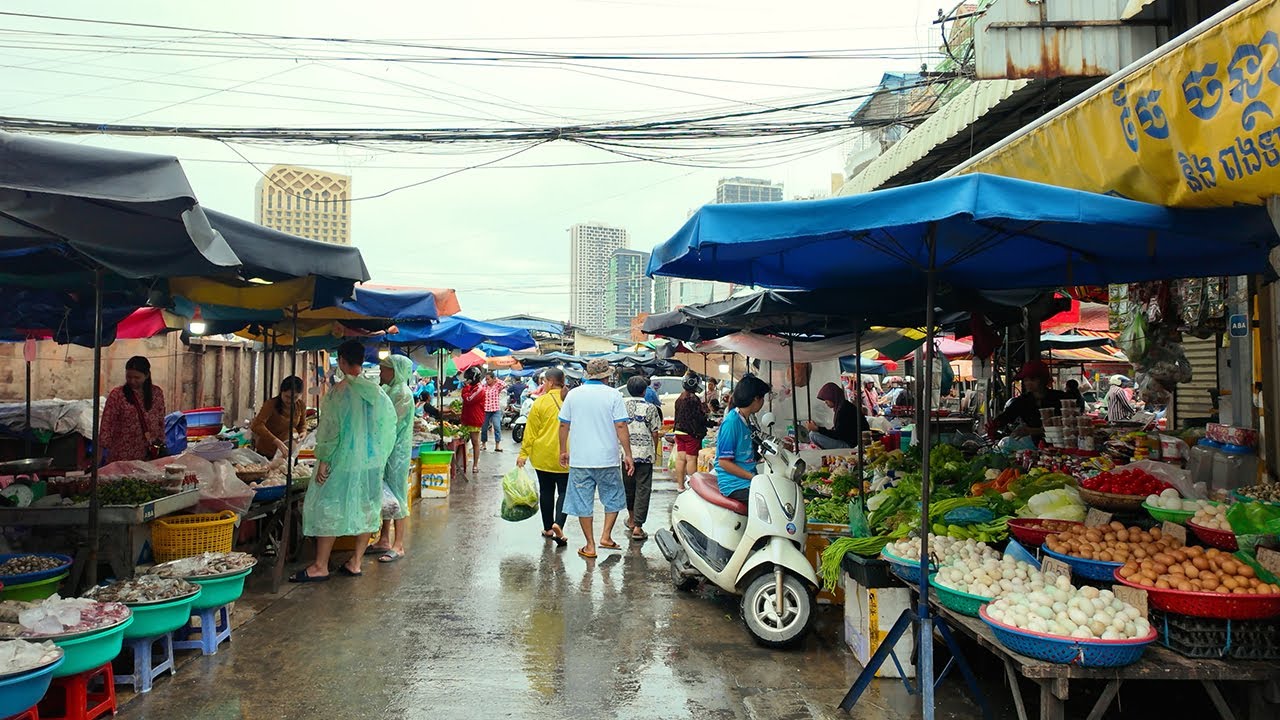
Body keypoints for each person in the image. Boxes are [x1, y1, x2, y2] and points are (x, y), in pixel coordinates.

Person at [293, 341, 396, 582]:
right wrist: (379, 456)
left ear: (340, 360)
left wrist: (325, 460)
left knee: (327, 506)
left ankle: (320, 565)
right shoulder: (377, 393)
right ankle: (356, 562)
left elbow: (330, 431)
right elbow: (389, 426)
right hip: (370, 462)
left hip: (341, 462)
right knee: (367, 508)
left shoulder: (337, 394)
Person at [558, 359, 634, 560]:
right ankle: (606, 536)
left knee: (583, 502)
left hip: (580, 460)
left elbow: (564, 425)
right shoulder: (614, 395)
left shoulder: (573, 394)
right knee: (613, 498)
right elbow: (620, 426)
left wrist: (562, 450)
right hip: (607, 458)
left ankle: (590, 545)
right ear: (606, 376)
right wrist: (628, 454)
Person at [517, 368, 570, 547]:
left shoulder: (540, 402)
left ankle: (548, 528)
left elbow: (530, 432)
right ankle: (558, 523)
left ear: (549, 382)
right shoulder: (570, 400)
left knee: (546, 491)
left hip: (542, 455)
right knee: (564, 491)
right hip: (567, 455)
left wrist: (523, 454)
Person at [370, 355, 414, 563]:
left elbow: (390, 423)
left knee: (397, 494)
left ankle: (399, 544)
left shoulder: (403, 394)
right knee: (385, 496)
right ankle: (384, 539)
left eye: (384, 369)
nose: (381, 373)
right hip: (384, 450)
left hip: (396, 452)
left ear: (395, 371)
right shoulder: (388, 390)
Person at [714, 375, 772, 506]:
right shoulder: (732, 423)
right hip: (735, 485)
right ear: (756, 399)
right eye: (762, 397)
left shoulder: (746, 419)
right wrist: (752, 477)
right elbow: (723, 462)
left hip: (746, 480)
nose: (763, 402)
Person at [101, 356, 167, 463]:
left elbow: (161, 422)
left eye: (137, 378)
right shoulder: (117, 395)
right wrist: (102, 450)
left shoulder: (157, 393)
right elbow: (107, 424)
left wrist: (161, 443)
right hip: (121, 455)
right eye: (129, 377)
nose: (132, 381)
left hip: (149, 454)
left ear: (147, 375)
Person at [621, 376, 662, 541]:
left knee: (628, 488)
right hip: (645, 454)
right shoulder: (651, 408)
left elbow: (618, 427)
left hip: (626, 454)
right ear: (645, 391)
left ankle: (631, 519)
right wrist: (654, 449)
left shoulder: (622, 406)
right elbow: (655, 431)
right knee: (643, 489)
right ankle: (638, 526)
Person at [987, 360, 1070, 439]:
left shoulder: (1060, 398)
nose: (1028, 383)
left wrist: (1034, 431)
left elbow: (1067, 425)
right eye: (1026, 380)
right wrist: (994, 424)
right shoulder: (1023, 401)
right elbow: (1007, 415)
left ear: (1043, 380)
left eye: (1033, 379)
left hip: (1062, 444)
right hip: (1034, 447)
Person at [251, 376, 306, 459]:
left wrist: (303, 432)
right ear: (281, 392)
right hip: (267, 452)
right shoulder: (270, 404)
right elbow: (256, 426)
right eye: (287, 396)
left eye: (295, 397)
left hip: (288, 451)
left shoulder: (300, 405)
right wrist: (276, 441)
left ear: (300, 395)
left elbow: (302, 424)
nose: (290, 400)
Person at [804, 382, 869, 450]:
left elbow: (839, 435)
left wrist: (817, 429)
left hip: (851, 445)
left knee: (813, 435)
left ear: (832, 396)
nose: (825, 402)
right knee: (814, 433)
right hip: (851, 441)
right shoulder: (844, 406)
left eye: (826, 399)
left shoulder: (844, 410)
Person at [673, 375, 709, 492]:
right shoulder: (694, 399)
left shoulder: (679, 398)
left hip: (679, 432)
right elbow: (699, 418)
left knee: (680, 459)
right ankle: (692, 488)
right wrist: (710, 422)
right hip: (691, 433)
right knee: (691, 459)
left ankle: (680, 486)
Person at [460, 368, 486, 475]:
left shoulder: (479, 389)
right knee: (462, 441)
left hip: (475, 419)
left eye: (468, 379)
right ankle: (461, 463)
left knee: (475, 442)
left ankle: (475, 465)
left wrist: (465, 389)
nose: (467, 381)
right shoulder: (472, 387)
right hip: (466, 418)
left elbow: (468, 399)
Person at [480, 371, 506, 453]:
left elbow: (504, 384)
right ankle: (483, 444)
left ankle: (497, 445)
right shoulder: (484, 387)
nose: (487, 381)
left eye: (488, 379)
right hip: (486, 410)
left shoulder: (497, 386)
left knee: (497, 426)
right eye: (486, 379)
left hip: (495, 410)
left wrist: (496, 379)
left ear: (493, 379)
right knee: (484, 428)